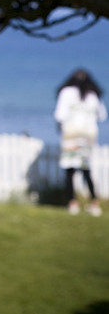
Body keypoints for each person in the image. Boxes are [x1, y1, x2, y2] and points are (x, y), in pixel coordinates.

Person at [54, 69, 107, 215]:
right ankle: (94, 203)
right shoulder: (93, 94)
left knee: (70, 170)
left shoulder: (66, 92)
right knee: (86, 169)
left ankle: (72, 203)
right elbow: (102, 116)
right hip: (88, 136)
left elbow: (59, 115)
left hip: (71, 134)